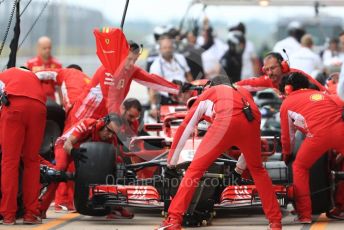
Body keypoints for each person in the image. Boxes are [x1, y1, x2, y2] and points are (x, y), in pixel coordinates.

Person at [158, 76, 282, 230]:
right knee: (258, 171)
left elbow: (185, 128)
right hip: (252, 121)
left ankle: (174, 220)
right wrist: (239, 170)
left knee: (194, 171)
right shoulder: (242, 91)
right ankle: (275, 221)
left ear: (209, 86)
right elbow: (250, 125)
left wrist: (171, 164)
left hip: (224, 123)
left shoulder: (209, 92)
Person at [66, 29, 179, 130]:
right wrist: (119, 126)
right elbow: (111, 101)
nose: (131, 64)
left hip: (103, 119)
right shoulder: (108, 70)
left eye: (134, 60)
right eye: (129, 59)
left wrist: (178, 89)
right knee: (64, 147)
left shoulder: (131, 70)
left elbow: (152, 80)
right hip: (83, 117)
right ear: (121, 55)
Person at [278, 72, 344, 223]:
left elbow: (287, 137)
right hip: (341, 131)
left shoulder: (286, 104)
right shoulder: (323, 95)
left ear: (287, 89)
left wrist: (286, 154)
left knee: (299, 168)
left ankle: (304, 215)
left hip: (316, 137)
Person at [0, 67, 46, 225]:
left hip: (14, 106)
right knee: (32, 162)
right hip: (39, 108)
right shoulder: (33, 77)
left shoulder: (4, 75)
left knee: (9, 162)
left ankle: (8, 215)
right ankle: (31, 214)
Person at [236, 52, 326, 93]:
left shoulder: (298, 76)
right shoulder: (268, 79)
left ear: (283, 66)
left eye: (273, 68)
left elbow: (323, 92)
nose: (270, 72)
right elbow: (247, 83)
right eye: (266, 70)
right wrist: (227, 87)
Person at [149, 35, 193, 105]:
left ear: (173, 47)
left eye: (170, 47)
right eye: (165, 48)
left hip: (186, 96)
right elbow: (152, 88)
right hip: (167, 100)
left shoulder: (181, 58)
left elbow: (189, 76)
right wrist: (153, 106)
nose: (168, 50)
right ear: (159, 49)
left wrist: (193, 91)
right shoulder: (155, 66)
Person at [25, 36, 62, 101]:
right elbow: (25, 84)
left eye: (49, 48)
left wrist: (62, 102)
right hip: (35, 99)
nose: (47, 50)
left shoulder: (57, 64)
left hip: (51, 100)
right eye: (44, 48)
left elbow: (59, 85)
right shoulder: (30, 64)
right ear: (38, 48)